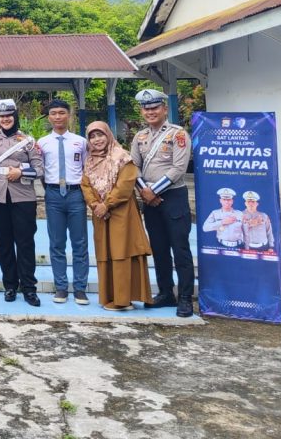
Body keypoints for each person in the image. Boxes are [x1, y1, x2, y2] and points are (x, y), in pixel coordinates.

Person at [131, 88, 194, 317]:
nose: (150, 112)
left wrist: (153, 191)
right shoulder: (140, 137)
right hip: (150, 200)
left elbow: (179, 168)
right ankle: (166, 292)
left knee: (180, 249)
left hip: (173, 198)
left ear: (164, 109)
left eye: (155, 108)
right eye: (146, 109)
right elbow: (134, 166)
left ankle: (185, 297)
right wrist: (145, 191)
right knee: (158, 248)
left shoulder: (178, 134)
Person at [80, 121, 153, 311]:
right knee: (105, 252)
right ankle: (109, 297)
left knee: (122, 251)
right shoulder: (89, 160)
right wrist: (95, 204)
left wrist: (107, 204)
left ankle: (124, 299)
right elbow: (85, 185)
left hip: (121, 212)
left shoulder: (122, 157)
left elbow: (125, 185)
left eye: (100, 135)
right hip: (100, 214)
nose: (97, 140)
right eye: (92, 136)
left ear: (109, 135)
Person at [0, 99, 44, 306]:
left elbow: (40, 169)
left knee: (25, 243)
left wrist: (21, 172)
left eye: (9, 115)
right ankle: (10, 285)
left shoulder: (27, 141)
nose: (5, 119)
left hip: (23, 197)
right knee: (4, 244)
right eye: (1, 116)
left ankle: (29, 288)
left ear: (15, 116)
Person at [38, 99, 89, 305]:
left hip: (76, 194)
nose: (57, 117)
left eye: (61, 113)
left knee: (80, 243)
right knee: (57, 243)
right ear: (49, 117)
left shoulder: (80, 141)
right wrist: (51, 189)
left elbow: (87, 168)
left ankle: (79, 288)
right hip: (53, 195)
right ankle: (61, 287)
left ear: (69, 115)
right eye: (53, 113)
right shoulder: (42, 143)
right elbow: (41, 171)